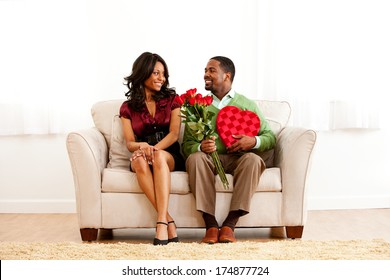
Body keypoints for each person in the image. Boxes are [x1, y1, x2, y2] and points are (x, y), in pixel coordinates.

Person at [182, 56, 276, 244]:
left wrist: (253, 141)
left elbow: (270, 137)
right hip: (209, 160)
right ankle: (210, 225)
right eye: (205, 71)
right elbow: (186, 146)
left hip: (238, 160)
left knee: (254, 160)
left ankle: (229, 225)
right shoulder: (198, 106)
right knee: (195, 158)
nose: (205, 75)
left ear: (227, 75)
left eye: (211, 70)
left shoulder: (247, 105)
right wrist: (200, 146)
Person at [119, 52, 185, 245]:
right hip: (143, 152)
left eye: (163, 74)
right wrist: (143, 146)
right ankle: (166, 220)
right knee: (138, 159)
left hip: (168, 152)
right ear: (143, 73)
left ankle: (161, 221)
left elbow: (173, 134)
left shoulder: (173, 99)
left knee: (156, 157)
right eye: (156, 73)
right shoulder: (127, 107)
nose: (161, 78)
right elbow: (130, 143)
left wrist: (154, 149)